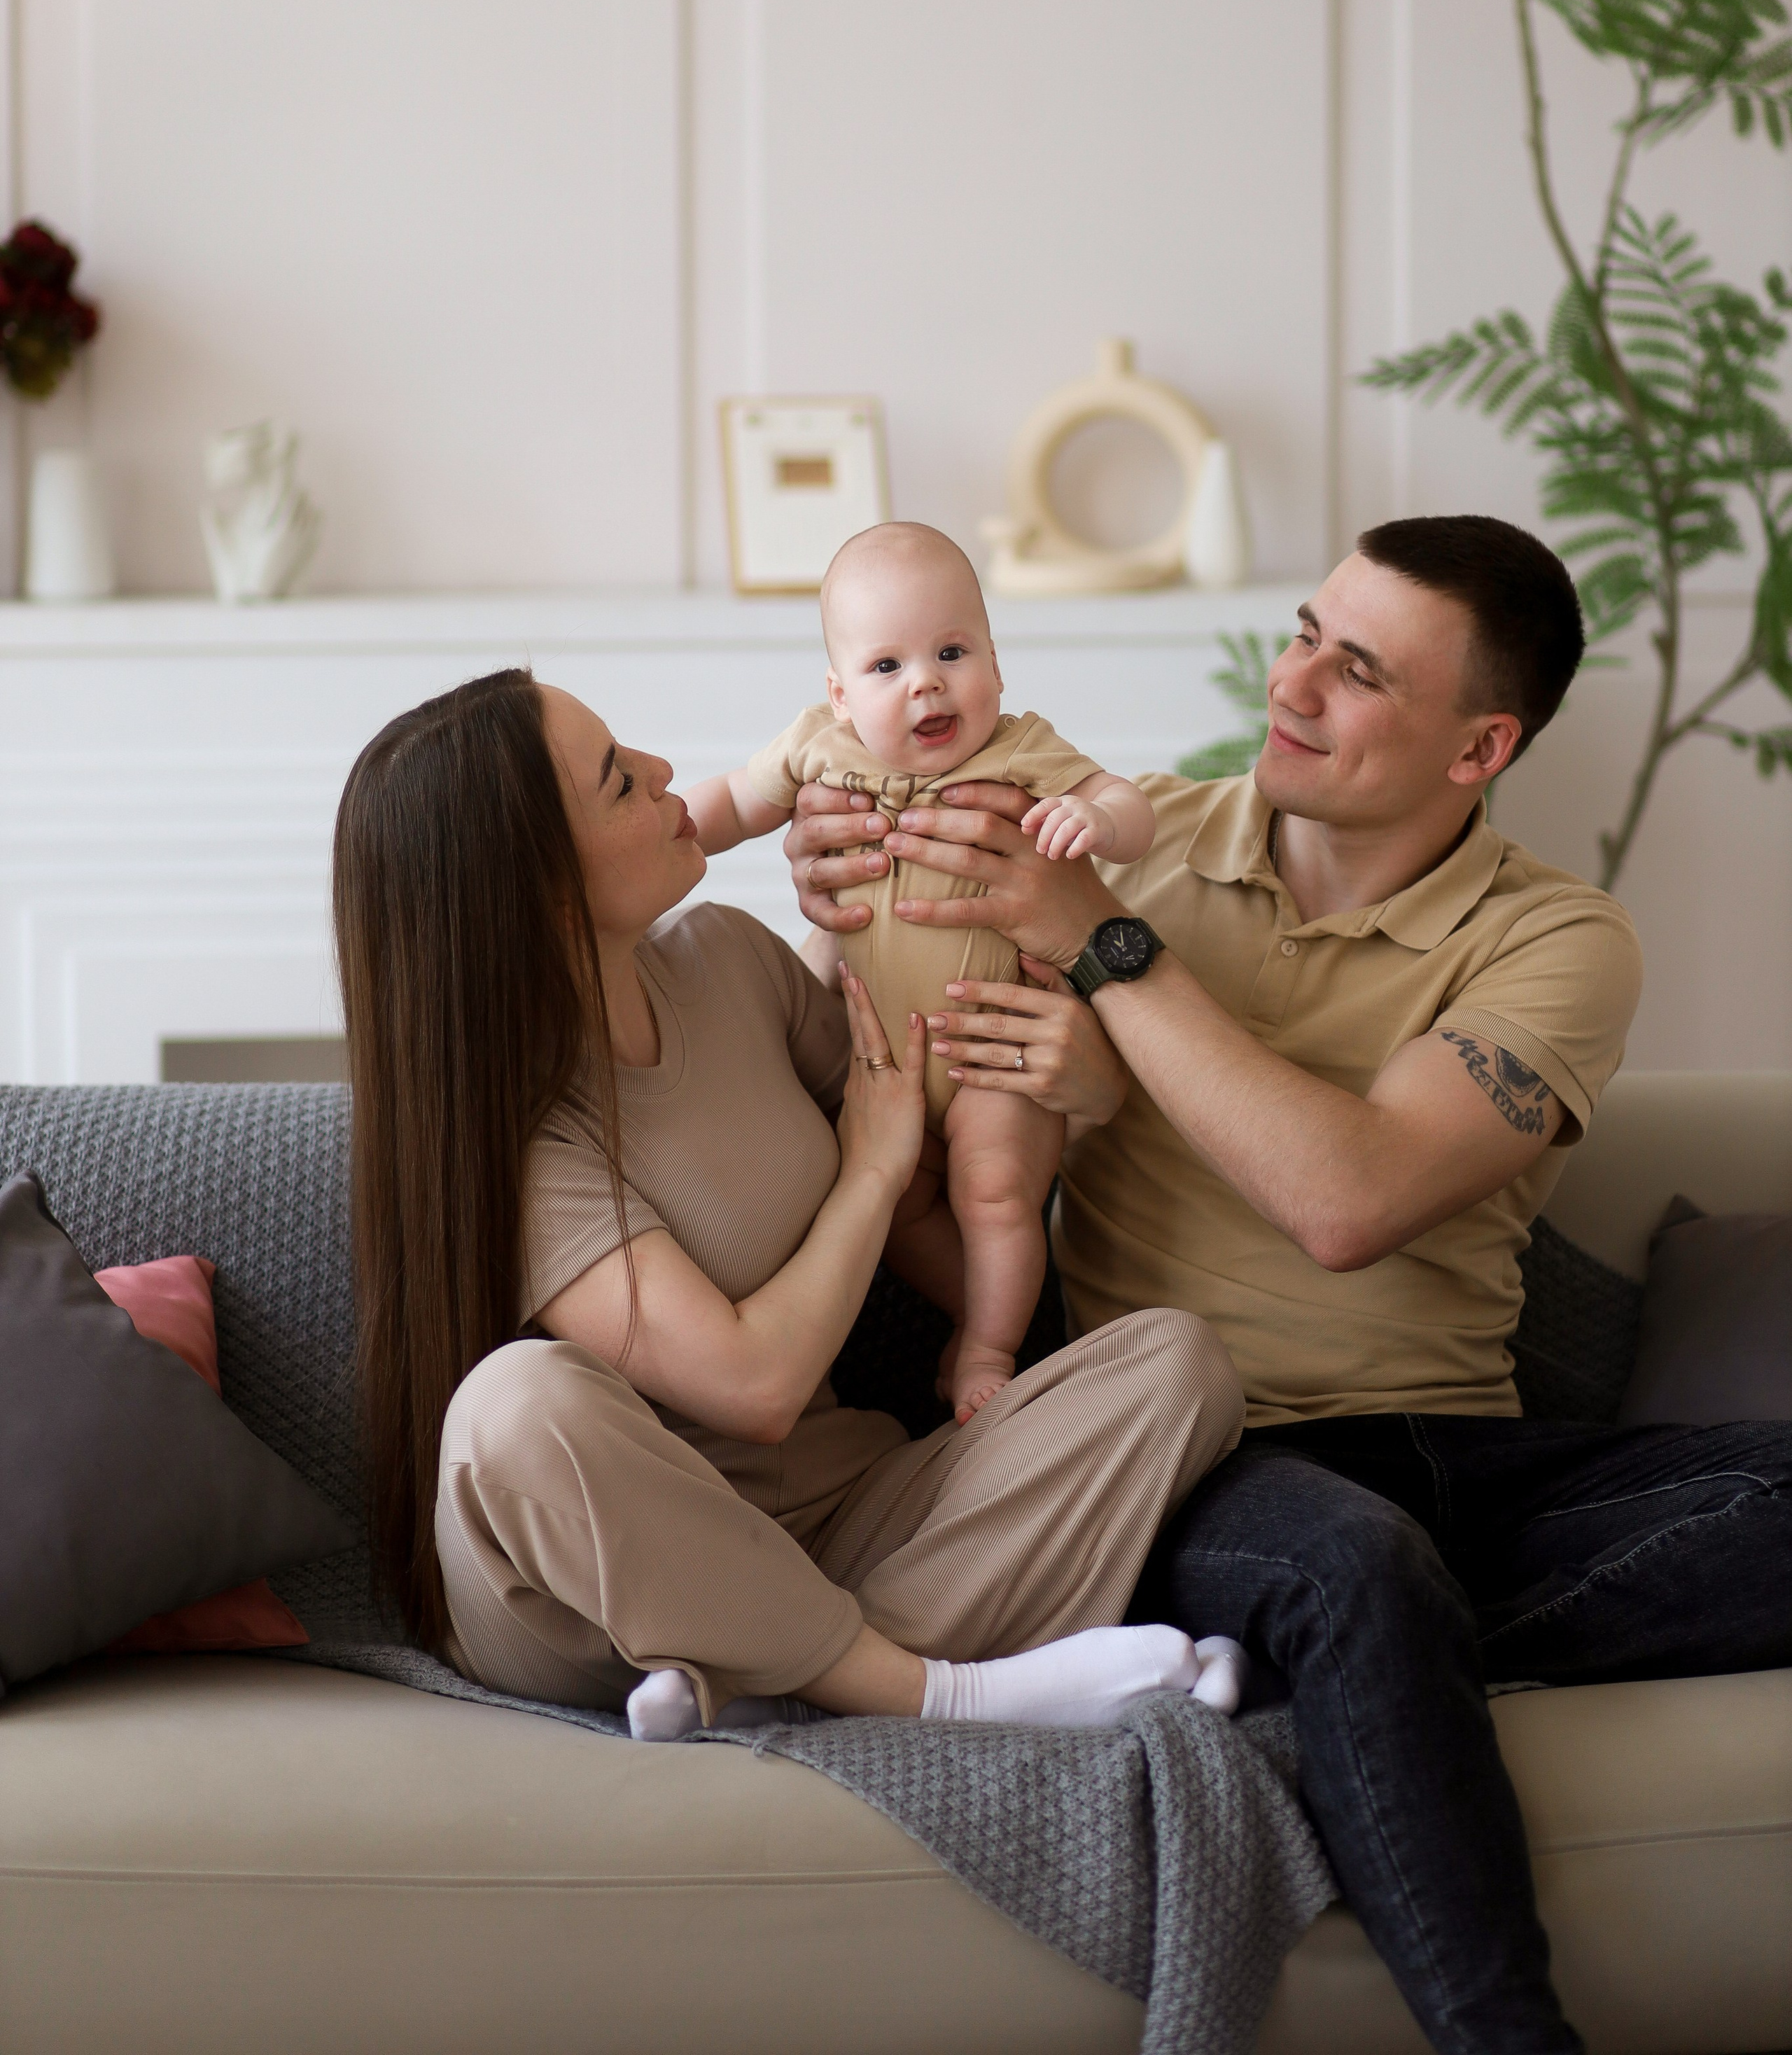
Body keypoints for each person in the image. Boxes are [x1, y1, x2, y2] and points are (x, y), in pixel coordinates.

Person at [782, 513, 1792, 2055]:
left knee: (1400, 1570)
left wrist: (1109, 961)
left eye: (1360, 669)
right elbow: (901, 1062)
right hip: (1199, 1462)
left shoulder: (1555, 941)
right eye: (1306, 630)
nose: (1293, 683)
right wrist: (839, 857)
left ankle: (1370, 1660)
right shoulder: (1115, 837)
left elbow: (1350, 1200)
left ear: (1479, 747)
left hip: (1462, 1451)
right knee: (1354, 1574)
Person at [332, 664, 1247, 1750]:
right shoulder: (514, 1136)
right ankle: (939, 1693)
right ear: (541, 892)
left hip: (844, 1522)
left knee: (1178, 1366)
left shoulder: (730, 958)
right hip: (598, 1598)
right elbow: (756, 1385)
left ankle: (767, 1681)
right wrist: (863, 1174)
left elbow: (931, 1140)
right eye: (620, 782)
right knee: (514, 1406)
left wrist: (1072, 1084)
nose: (667, 771)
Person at [689, 520, 1154, 1421]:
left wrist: (1093, 822)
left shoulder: (1018, 752)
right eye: (887, 667)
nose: (927, 683)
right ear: (837, 694)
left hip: (997, 1053)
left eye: (952, 651)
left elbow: (1124, 802)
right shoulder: (820, 748)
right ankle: (988, 1309)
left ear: (996, 664)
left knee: (996, 1193)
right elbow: (734, 803)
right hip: (882, 1065)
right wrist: (671, 830)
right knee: (890, 1208)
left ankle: (989, 1345)